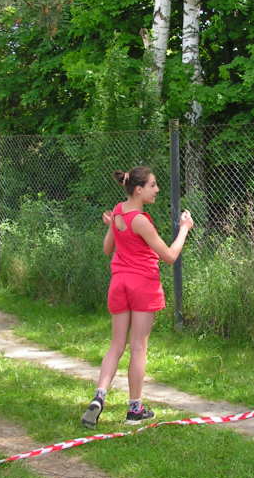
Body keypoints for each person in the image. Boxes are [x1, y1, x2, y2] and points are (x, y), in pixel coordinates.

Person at [81, 166, 194, 428]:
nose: (157, 190)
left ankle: (99, 396)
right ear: (139, 189)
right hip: (142, 285)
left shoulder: (118, 211)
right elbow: (170, 256)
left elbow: (107, 248)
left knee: (116, 345)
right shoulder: (141, 220)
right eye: (153, 185)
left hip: (119, 284)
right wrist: (184, 228)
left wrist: (112, 226)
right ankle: (135, 409)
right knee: (139, 347)